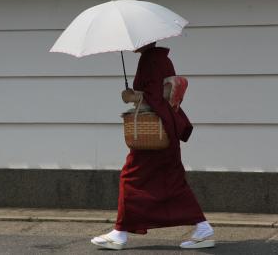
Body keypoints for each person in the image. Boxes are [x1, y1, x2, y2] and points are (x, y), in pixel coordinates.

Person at [91, 42, 215, 250]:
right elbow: (162, 94)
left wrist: (132, 96)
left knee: (131, 176)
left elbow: (157, 97)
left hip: (156, 132)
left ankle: (119, 233)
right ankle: (203, 228)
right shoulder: (159, 58)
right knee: (172, 181)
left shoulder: (152, 60)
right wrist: (137, 96)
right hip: (166, 129)